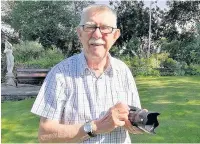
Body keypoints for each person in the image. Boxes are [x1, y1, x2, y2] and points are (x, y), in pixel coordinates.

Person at [31, 4, 145, 143]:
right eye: (90, 27)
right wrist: (95, 127)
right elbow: (45, 135)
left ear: (115, 35)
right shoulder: (59, 74)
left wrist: (137, 123)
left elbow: (133, 119)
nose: (97, 34)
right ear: (80, 33)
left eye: (105, 28)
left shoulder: (123, 71)